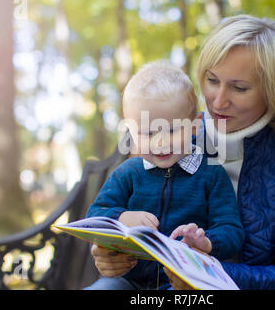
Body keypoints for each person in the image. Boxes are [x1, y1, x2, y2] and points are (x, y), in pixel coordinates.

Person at [90, 14, 275, 290]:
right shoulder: (170, 134)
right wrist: (108, 254)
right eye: (212, 80)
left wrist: (205, 274)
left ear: (272, 91)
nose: (217, 101)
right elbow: (116, 212)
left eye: (239, 88)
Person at [85, 61, 244, 290]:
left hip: (183, 280)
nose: (160, 142)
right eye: (147, 133)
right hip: (127, 278)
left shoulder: (211, 174)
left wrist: (206, 241)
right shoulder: (129, 173)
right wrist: (122, 218)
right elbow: (94, 215)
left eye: (172, 130)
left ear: (195, 126)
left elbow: (231, 229)